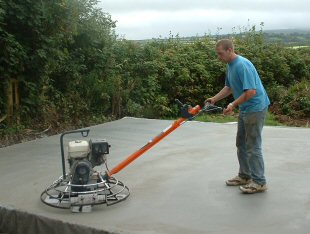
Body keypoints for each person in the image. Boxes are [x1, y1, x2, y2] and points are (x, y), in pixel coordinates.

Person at [206, 39, 270, 194]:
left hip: (255, 108)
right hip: (245, 108)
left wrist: (232, 105)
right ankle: (245, 176)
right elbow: (228, 87)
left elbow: (251, 92)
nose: (219, 57)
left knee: (253, 146)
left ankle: (260, 182)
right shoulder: (230, 65)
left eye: (220, 53)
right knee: (241, 143)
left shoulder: (242, 65)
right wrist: (214, 99)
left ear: (229, 50)